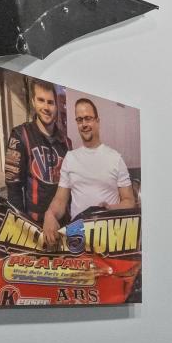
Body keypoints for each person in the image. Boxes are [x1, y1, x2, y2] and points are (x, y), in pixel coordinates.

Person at [43, 97, 138, 247]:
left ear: (97, 121)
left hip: (109, 238)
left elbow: (129, 201)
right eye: (79, 120)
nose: (84, 124)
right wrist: (49, 214)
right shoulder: (70, 158)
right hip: (77, 238)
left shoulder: (115, 158)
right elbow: (60, 200)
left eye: (88, 118)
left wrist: (111, 208)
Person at [1, 80, 67, 221]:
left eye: (50, 102)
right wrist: (21, 224)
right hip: (35, 223)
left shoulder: (66, 142)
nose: (46, 107)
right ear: (33, 101)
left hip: (62, 221)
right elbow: (13, 189)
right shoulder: (20, 136)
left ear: (56, 105)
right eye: (41, 100)